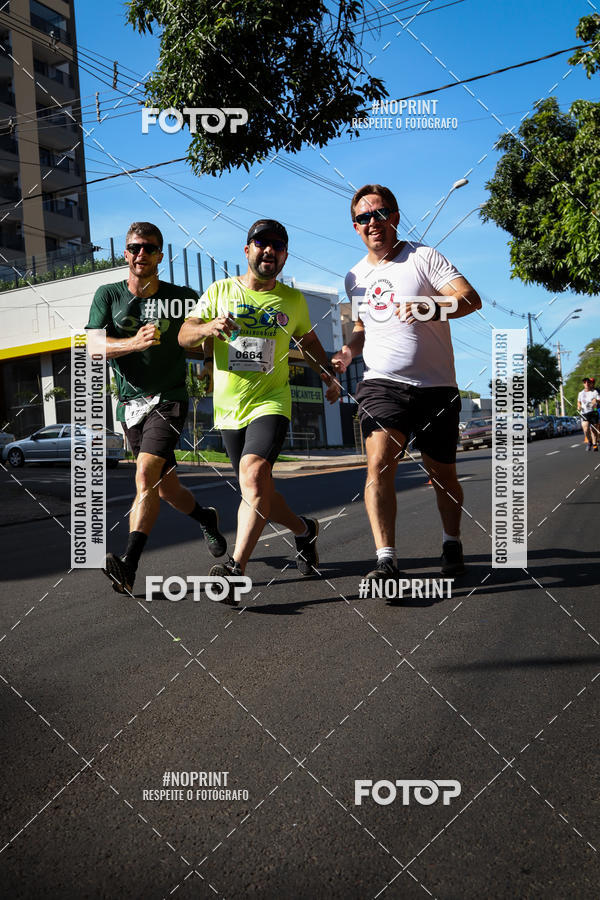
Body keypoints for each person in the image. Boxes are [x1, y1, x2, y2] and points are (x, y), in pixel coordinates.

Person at [179, 218, 340, 602]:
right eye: (262, 243)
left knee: (252, 476)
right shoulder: (220, 290)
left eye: (278, 246)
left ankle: (235, 570)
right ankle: (304, 530)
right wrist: (206, 328)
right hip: (229, 409)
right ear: (247, 250)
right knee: (259, 491)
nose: (270, 250)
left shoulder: (292, 300)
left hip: (272, 401)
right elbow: (184, 333)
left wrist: (328, 375)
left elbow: (311, 340)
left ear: (284, 255)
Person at [332, 184, 482, 580]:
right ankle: (386, 559)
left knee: (442, 474)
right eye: (364, 218)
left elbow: (470, 299)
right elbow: (362, 327)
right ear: (355, 226)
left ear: (395, 217)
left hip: (435, 387)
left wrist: (429, 306)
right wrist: (349, 351)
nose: (372, 223)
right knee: (379, 465)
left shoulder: (425, 257)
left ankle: (451, 539)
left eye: (379, 214)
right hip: (381, 383)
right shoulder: (354, 276)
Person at [86, 221, 227, 595]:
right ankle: (206, 517)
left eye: (149, 248)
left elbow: (197, 336)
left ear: (160, 254)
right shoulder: (108, 295)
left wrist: (210, 338)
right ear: (126, 253)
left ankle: (128, 566)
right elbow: (93, 347)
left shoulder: (181, 296)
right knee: (165, 488)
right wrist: (133, 343)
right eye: (134, 248)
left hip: (169, 397)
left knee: (145, 476)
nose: (140, 254)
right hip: (130, 404)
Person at [577, 377, 599, 451]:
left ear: (590, 384)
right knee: (585, 429)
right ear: (583, 384)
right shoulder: (580, 393)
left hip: (593, 412)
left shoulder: (594, 392)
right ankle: (589, 441)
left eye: (588, 382)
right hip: (584, 413)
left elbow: (599, 400)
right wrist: (579, 406)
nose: (586, 383)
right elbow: (578, 402)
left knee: (594, 429)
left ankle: (595, 444)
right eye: (585, 382)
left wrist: (596, 401)